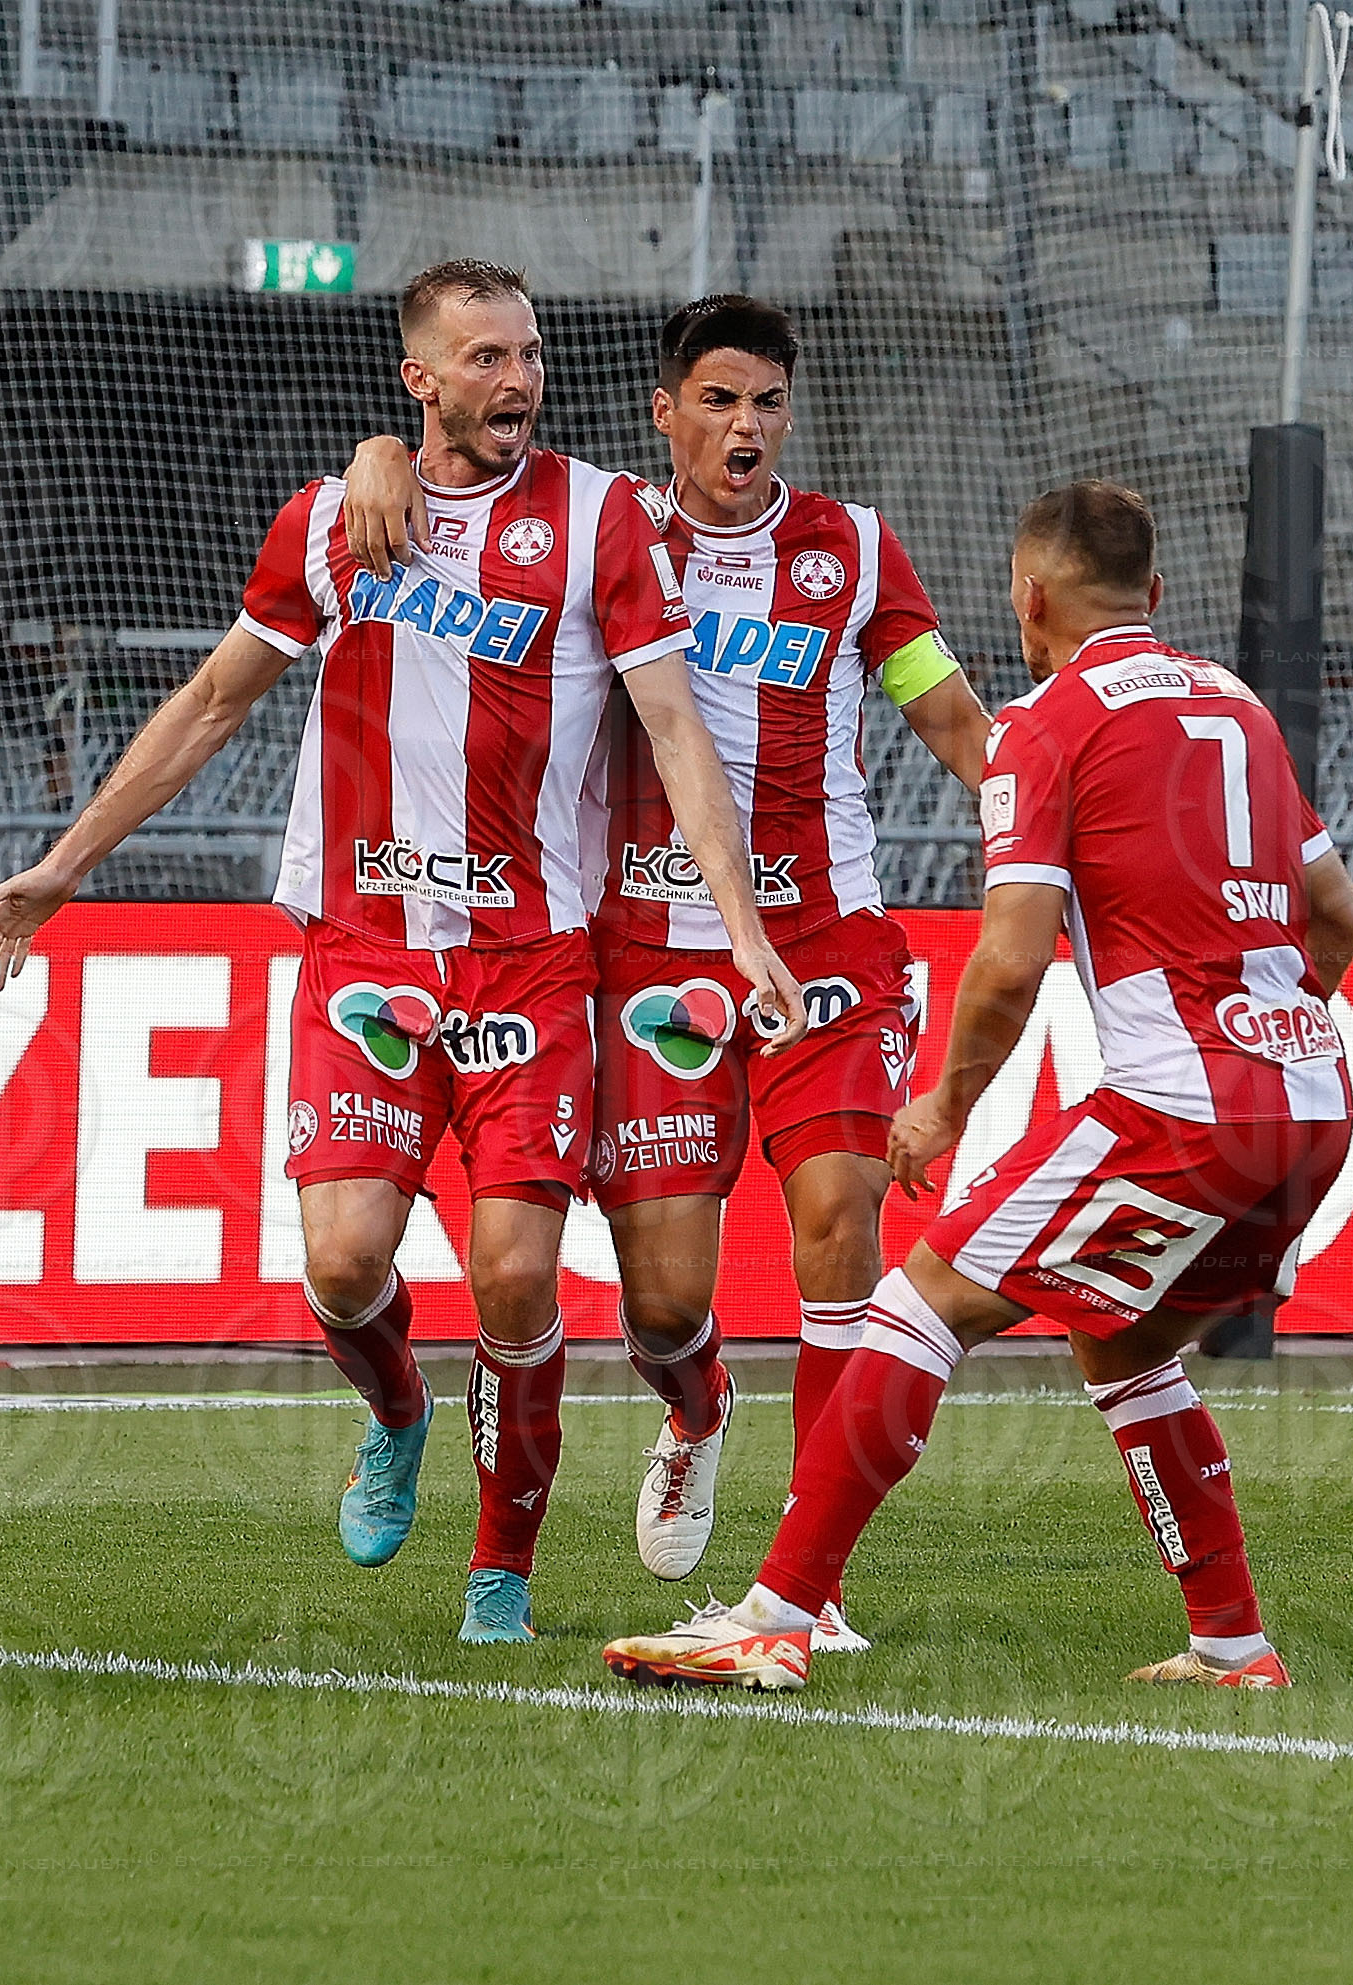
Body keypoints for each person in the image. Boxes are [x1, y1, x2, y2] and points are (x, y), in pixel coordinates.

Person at [0, 260, 804, 1643]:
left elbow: (673, 730)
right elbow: (212, 702)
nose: (519, 379)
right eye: (486, 357)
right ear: (419, 379)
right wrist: (67, 866)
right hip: (366, 955)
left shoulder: (597, 518)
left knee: (517, 1278)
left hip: (530, 963)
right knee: (347, 1265)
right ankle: (402, 1409)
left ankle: (500, 1573)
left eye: (529, 353)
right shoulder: (333, 519)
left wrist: (746, 928)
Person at [599, 479, 1353, 1692]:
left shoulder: (1045, 726)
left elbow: (1010, 961)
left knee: (917, 1306)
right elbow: (1341, 918)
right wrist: (1267, 1031)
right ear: (1156, 592)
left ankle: (778, 1615)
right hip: (1314, 1102)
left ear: (1029, 598)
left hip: (1182, 1103)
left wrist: (943, 1106)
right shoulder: (1238, 704)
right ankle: (1232, 1642)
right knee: (1121, 1341)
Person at [344, 296, 990, 1651]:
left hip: (823, 944)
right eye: (719, 400)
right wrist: (380, 452)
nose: (746, 426)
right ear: (665, 412)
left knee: (839, 1220)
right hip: (646, 956)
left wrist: (1049, 836)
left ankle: (809, 1582)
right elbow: (464, 486)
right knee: (665, 1303)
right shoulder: (610, 532)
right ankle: (697, 1409)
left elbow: (945, 710)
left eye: (768, 402)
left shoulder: (855, 551)